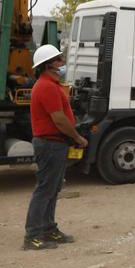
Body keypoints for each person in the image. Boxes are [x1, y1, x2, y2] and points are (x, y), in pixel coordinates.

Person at [23, 44, 87, 251]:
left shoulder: (51, 84)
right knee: (45, 190)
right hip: (50, 144)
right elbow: (58, 119)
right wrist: (77, 136)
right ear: (48, 65)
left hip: (55, 143)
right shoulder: (46, 87)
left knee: (52, 188)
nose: (61, 62)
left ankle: (48, 228)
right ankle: (32, 236)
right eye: (58, 59)